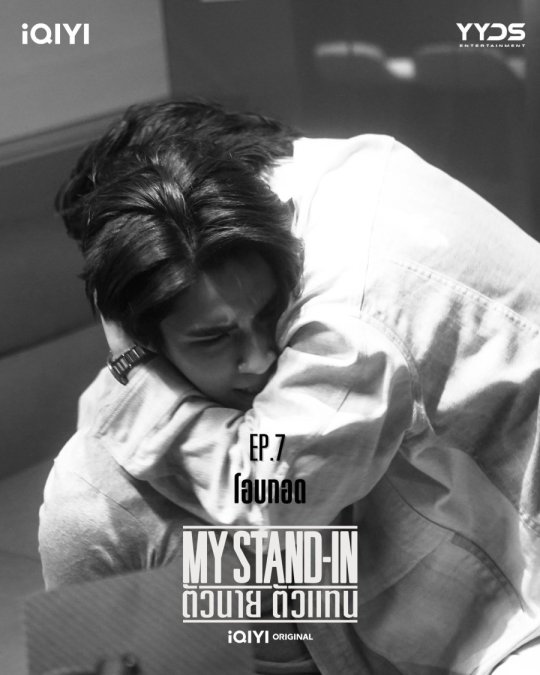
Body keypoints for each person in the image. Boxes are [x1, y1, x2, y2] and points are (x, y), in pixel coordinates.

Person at [39, 101, 540, 675]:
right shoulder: (95, 492)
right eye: (212, 337)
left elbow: (272, 499)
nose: (259, 359)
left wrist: (131, 376)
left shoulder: (338, 325)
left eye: (265, 312)